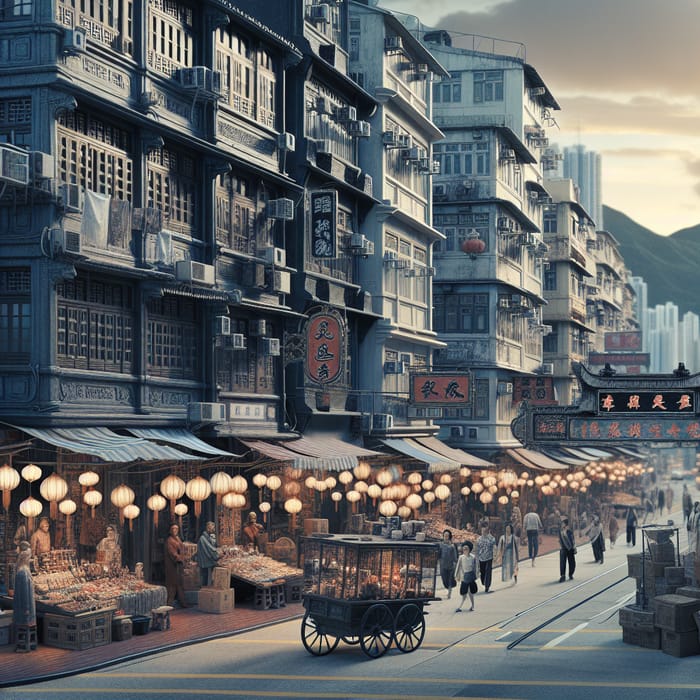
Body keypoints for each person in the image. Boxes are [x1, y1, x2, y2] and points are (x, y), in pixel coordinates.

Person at [13, 541, 36, 652]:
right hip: (25, 607)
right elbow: (24, 592)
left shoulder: (24, 571)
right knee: (25, 623)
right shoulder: (23, 573)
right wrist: (26, 608)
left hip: (27, 605)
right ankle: (25, 644)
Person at [164, 523, 189, 608]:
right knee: (172, 585)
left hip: (178, 566)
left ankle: (183, 603)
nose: (175, 531)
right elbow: (173, 553)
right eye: (173, 529)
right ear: (170, 530)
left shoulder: (177, 538)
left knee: (179, 584)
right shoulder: (169, 540)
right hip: (172, 566)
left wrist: (184, 558)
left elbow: (181, 549)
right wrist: (180, 559)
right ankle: (169, 604)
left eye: (176, 529)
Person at [454, 541, 478, 612]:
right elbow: (458, 567)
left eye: (466, 549)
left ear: (469, 549)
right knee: (464, 592)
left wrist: (476, 575)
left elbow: (475, 567)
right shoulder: (461, 557)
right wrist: (456, 576)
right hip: (464, 576)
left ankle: (472, 606)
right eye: (464, 549)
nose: (465, 550)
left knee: (471, 592)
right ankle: (460, 606)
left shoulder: (473, 557)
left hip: (471, 576)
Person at [195, 521, 220, 587]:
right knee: (205, 577)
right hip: (205, 561)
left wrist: (213, 539)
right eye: (213, 528)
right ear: (208, 528)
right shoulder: (203, 538)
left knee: (206, 576)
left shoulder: (208, 536)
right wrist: (218, 555)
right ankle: (205, 589)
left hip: (206, 560)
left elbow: (213, 545)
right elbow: (210, 548)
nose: (214, 530)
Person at [438, 529, 459, 599]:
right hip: (443, 565)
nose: (446, 537)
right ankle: (448, 588)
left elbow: (455, 556)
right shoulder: (440, 545)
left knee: (450, 580)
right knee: (444, 580)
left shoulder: (452, 546)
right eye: (445, 535)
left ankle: (449, 592)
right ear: (443, 536)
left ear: (449, 536)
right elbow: (438, 554)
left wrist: (456, 563)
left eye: (447, 535)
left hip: (451, 566)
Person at [476, 525, 496, 593]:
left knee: (488, 572)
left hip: (489, 557)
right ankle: (483, 582)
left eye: (485, 531)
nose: (483, 532)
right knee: (482, 572)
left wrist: (495, 555)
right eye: (482, 531)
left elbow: (494, 546)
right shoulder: (479, 539)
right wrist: (477, 557)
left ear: (487, 531)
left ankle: (487, 586)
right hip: (481, 558)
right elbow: (477, 549)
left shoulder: (491, 538)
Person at [558, 516, 576, 582]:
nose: (561, 524)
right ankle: (563, 575)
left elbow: (572, 540)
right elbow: (560, 539)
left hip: (570, 548)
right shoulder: (560, 530)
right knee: (562, 562)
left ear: (565, 523)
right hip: (563, 548)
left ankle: (571, 574)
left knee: (571, 562)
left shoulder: (569, 530)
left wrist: (574, 548)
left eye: (562, 522)